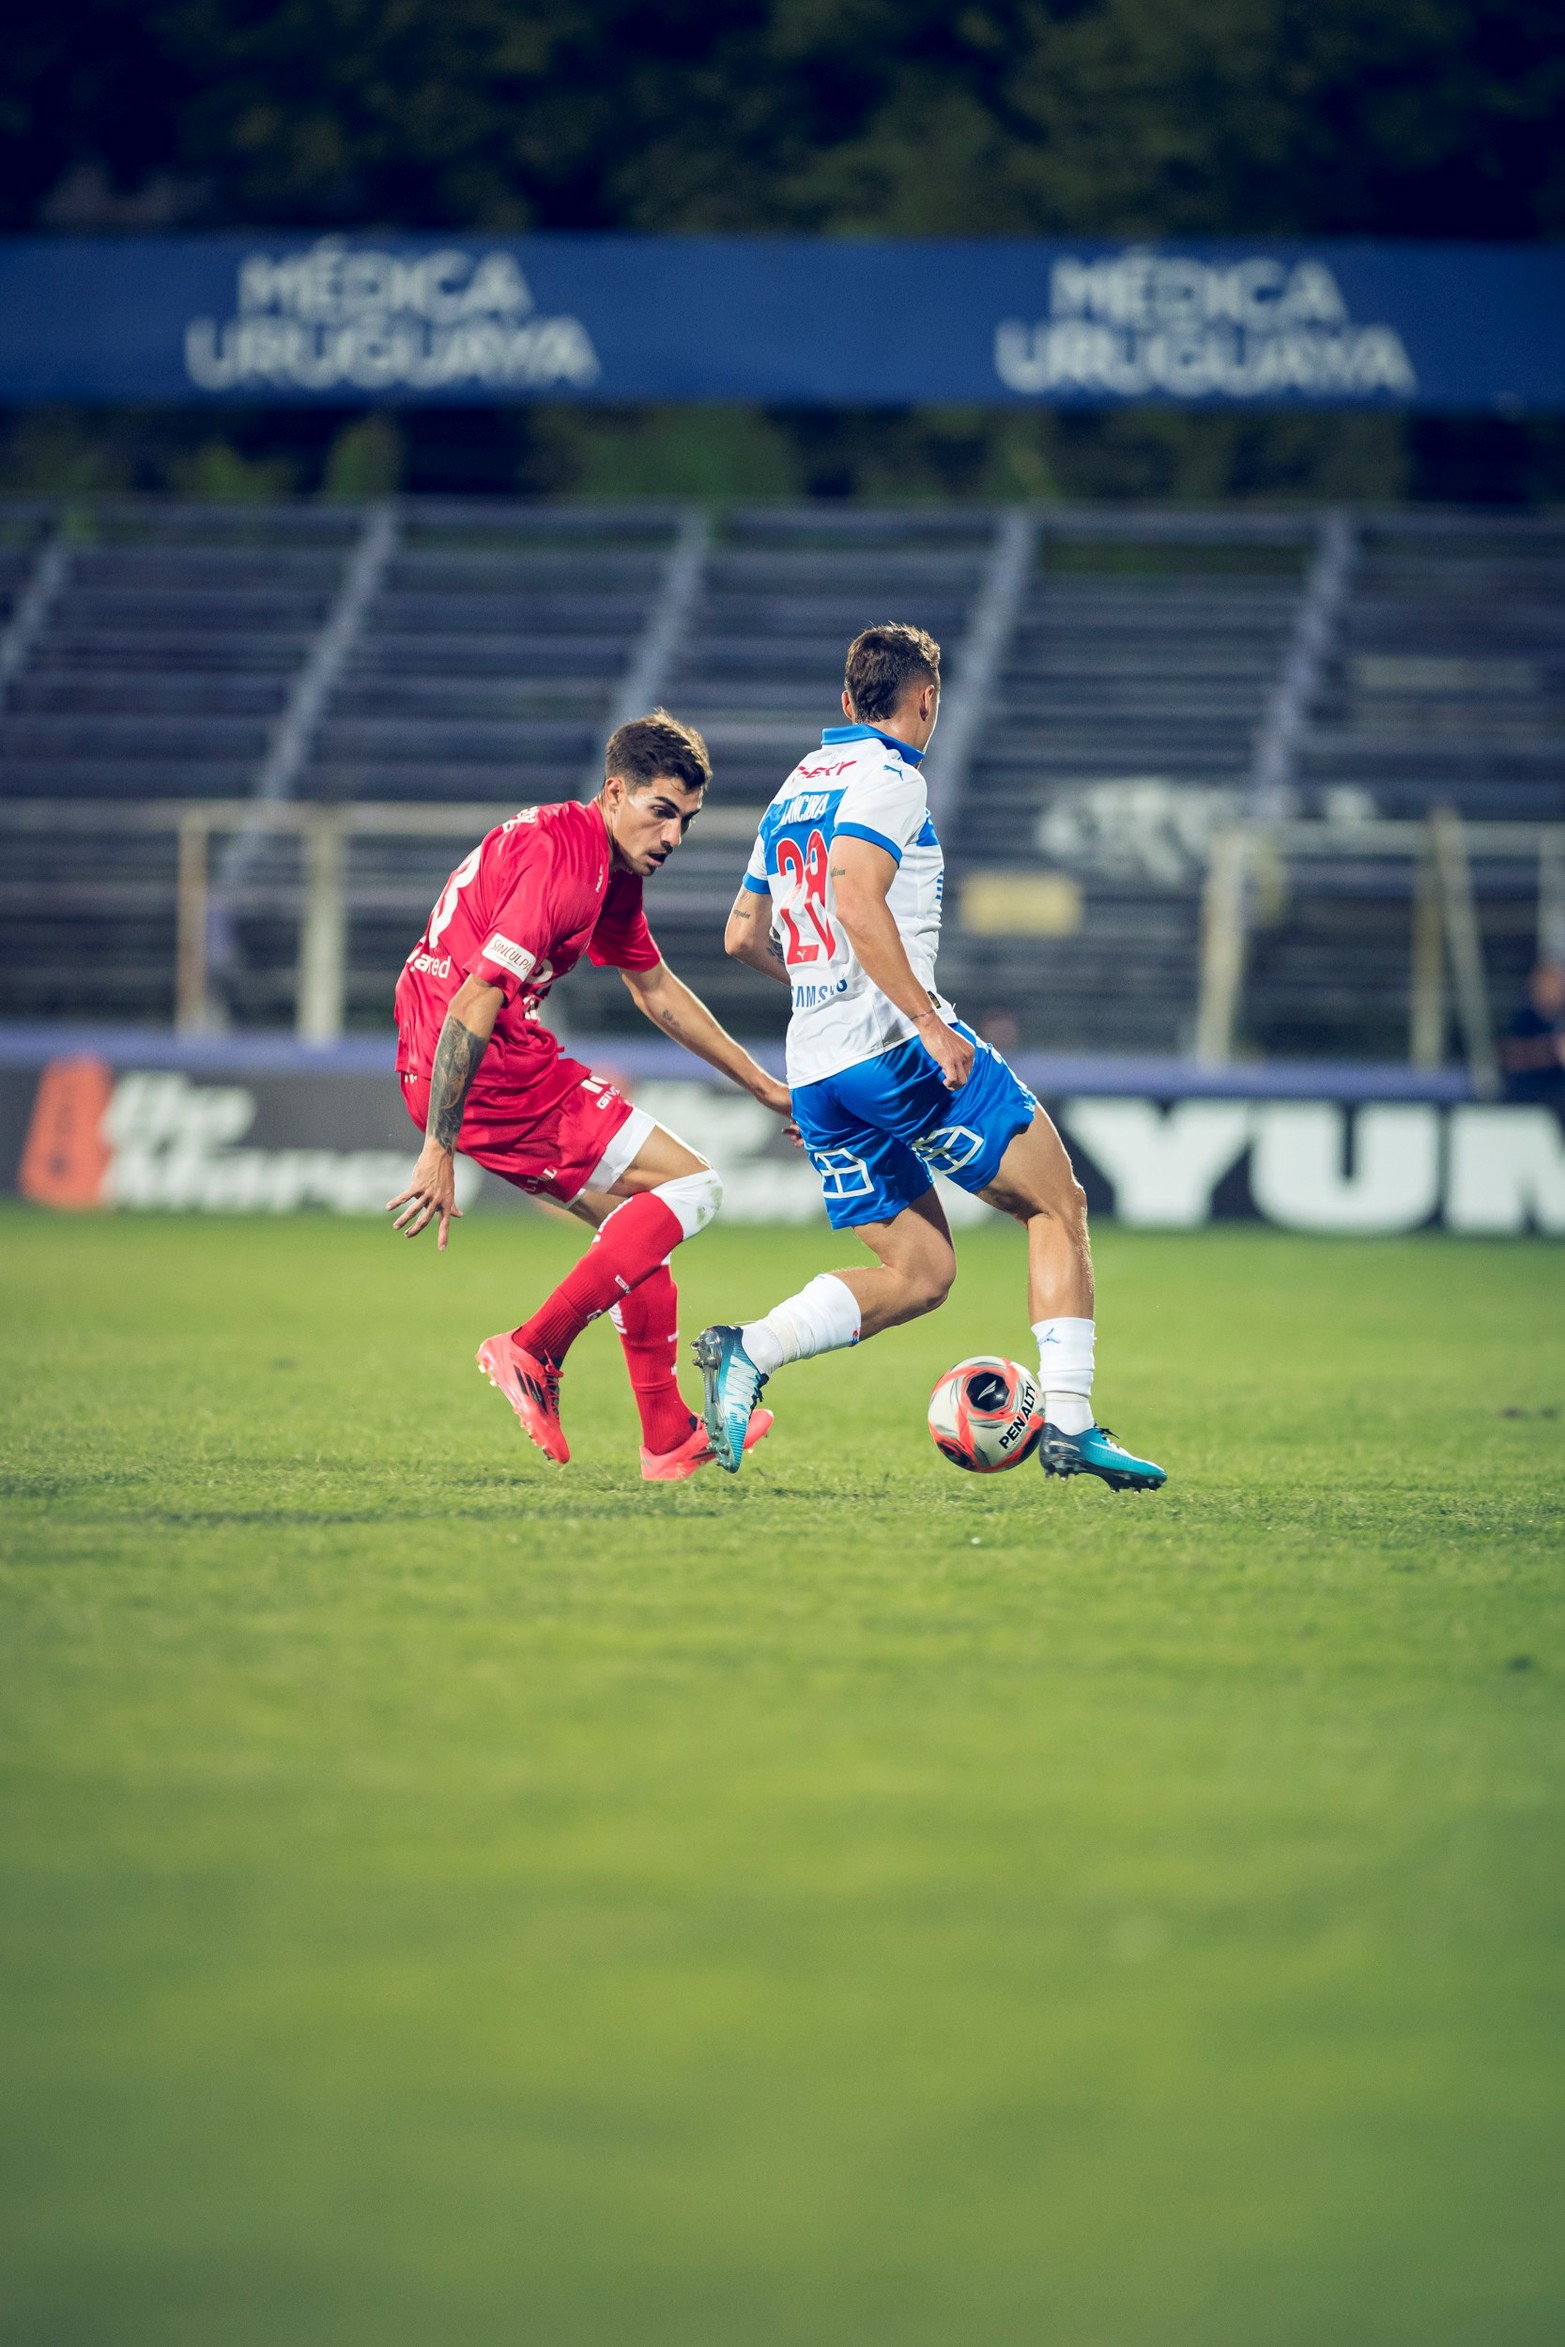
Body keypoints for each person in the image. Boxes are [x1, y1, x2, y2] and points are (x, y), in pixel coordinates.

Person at [694, 624, 1165, 1493]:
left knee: (919, 1272)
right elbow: (853, 893)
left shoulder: (796, 785)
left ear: (845, 702)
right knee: (1055, 1203)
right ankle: (1068, 1422)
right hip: (897, 1048)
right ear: (926, 702)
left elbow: (740, 937)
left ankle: (747, 1348)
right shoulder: (890, 777)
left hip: (820, 1071)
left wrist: (823, 1000)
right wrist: (925, 1019)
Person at [387, 709, 790, 1480]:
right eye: (660, 811)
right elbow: (475, 998)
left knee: (636, 1234)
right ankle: (533, 1347)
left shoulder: (603, 866)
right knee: (693, 1189)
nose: (672, 836)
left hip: (470, 1055)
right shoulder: (565, 864)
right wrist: (438, 1147)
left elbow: (657, 992)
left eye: (686, 821)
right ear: (614, 792)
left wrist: (767, 1088)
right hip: (487, 1063)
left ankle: (666, 1434)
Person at [1501, 956, 1565, 1108]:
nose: (1548, 989)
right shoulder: (1523, 1017)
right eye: (1544, 983)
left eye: (1554, 983)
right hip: (1528, 1092)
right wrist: (1551, 1050)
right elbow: (1509, 1055)